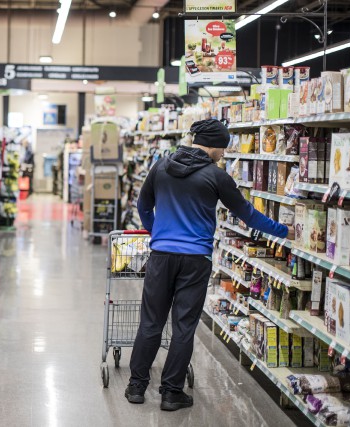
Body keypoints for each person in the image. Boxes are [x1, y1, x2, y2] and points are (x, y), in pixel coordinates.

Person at [125, 119, 293, 411]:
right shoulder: (216, 176)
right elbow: (248, 216)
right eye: (224, 148)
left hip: (161, 257)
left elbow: (143, 206)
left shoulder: (161, 166)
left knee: (151, 322)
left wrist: (158, 234)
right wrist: (285, 232)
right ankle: (170, 393)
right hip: (195, 261)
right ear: (214, 146)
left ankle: (136, 386)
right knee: (183, 327)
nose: (225, 154)